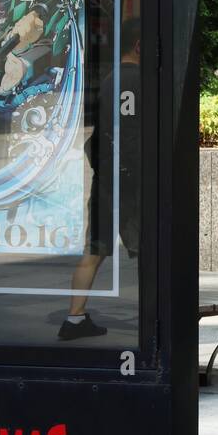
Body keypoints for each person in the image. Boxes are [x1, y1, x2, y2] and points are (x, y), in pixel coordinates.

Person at [58, 17, 141, 340]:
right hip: (131, 183)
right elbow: (133, 135)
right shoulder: (136, 81)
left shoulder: (109, 80)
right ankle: (155, 322)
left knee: (93, 250)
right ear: (139, 45)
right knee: (149, 252)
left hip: (106, 180)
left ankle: (74, 319)